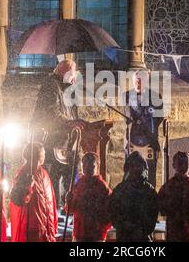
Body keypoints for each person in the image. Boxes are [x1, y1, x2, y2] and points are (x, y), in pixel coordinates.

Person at [31, 59, 84, 208]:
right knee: (53, 178)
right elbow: (51, 112)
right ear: (64, 72)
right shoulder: (50, 86)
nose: (74, 77)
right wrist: (70, 123)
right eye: (72, 74)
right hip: (52, 141)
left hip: (66, 143)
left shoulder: (65, 88)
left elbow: (72, 113)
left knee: (70, 177)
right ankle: (53, 209)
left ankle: (69, 206)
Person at [9, 142, 57, 242]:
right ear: (37, 155)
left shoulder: (42, 172)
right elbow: (16, 198)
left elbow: (48, 200)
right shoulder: (25, 173)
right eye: (43, 152)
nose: (45, 155)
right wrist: (27, 186)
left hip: (44, 225)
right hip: (31, 227)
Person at [124, 69, 164, 188]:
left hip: (149, 140)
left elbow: (159, 118)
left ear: (146, 81)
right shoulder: (126, 96)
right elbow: (126, 116)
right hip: (132, 140)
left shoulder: (156, 97)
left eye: (140, 81)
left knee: (150, 173)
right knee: (129, 172)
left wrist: (145, 124)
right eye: (136, 81)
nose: (138, 83)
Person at [109, 151, 158, 242]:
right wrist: (125, 226)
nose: (136, 169)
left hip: (143, 237)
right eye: (133, 166)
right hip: (124, 236)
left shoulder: (149, 191)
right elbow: (113, 213)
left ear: (143, 168)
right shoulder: (120, 190)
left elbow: (153, 214)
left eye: (139, 166)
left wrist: (141, 229)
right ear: (128, 168)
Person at [158, 151, 189, 242]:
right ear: (173, 165)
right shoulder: (168, 187)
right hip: (174, 233)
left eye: (186, 163)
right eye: (180, 163)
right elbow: (161, 209)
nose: (183, 166)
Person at [65, 152, 112, 242]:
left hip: (96, 234)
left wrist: (101, 227)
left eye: (91, 166)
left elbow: (109, 212)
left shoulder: (102, 187)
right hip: (80, 232)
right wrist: (68, 201)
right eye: (84, 166)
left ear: (96, 167)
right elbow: (70, 209)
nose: (87, 168)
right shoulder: (78, 185)